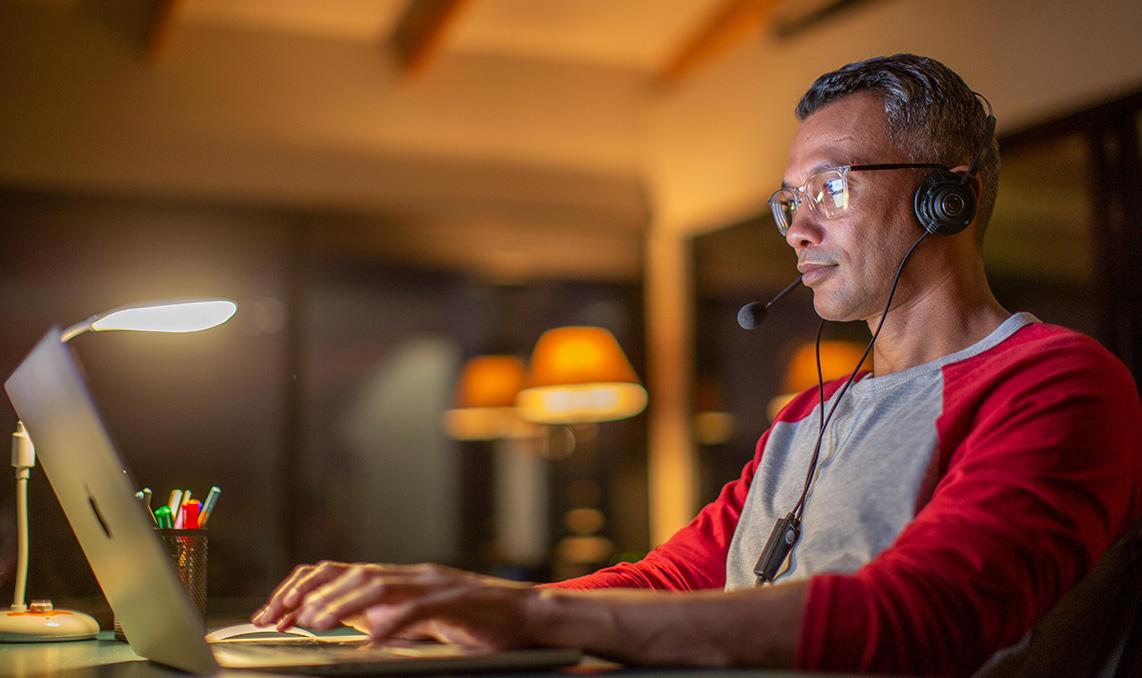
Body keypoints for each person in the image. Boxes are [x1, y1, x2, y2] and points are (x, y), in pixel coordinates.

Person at [251, 54, 1142, 675]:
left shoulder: (1057, 382)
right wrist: (456, 607)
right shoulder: (808, 414)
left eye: (830, 189)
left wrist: (529, 613)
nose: (797, 228)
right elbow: (672, 577)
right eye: (788, 201)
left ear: (949, 196)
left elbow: (923, 620)